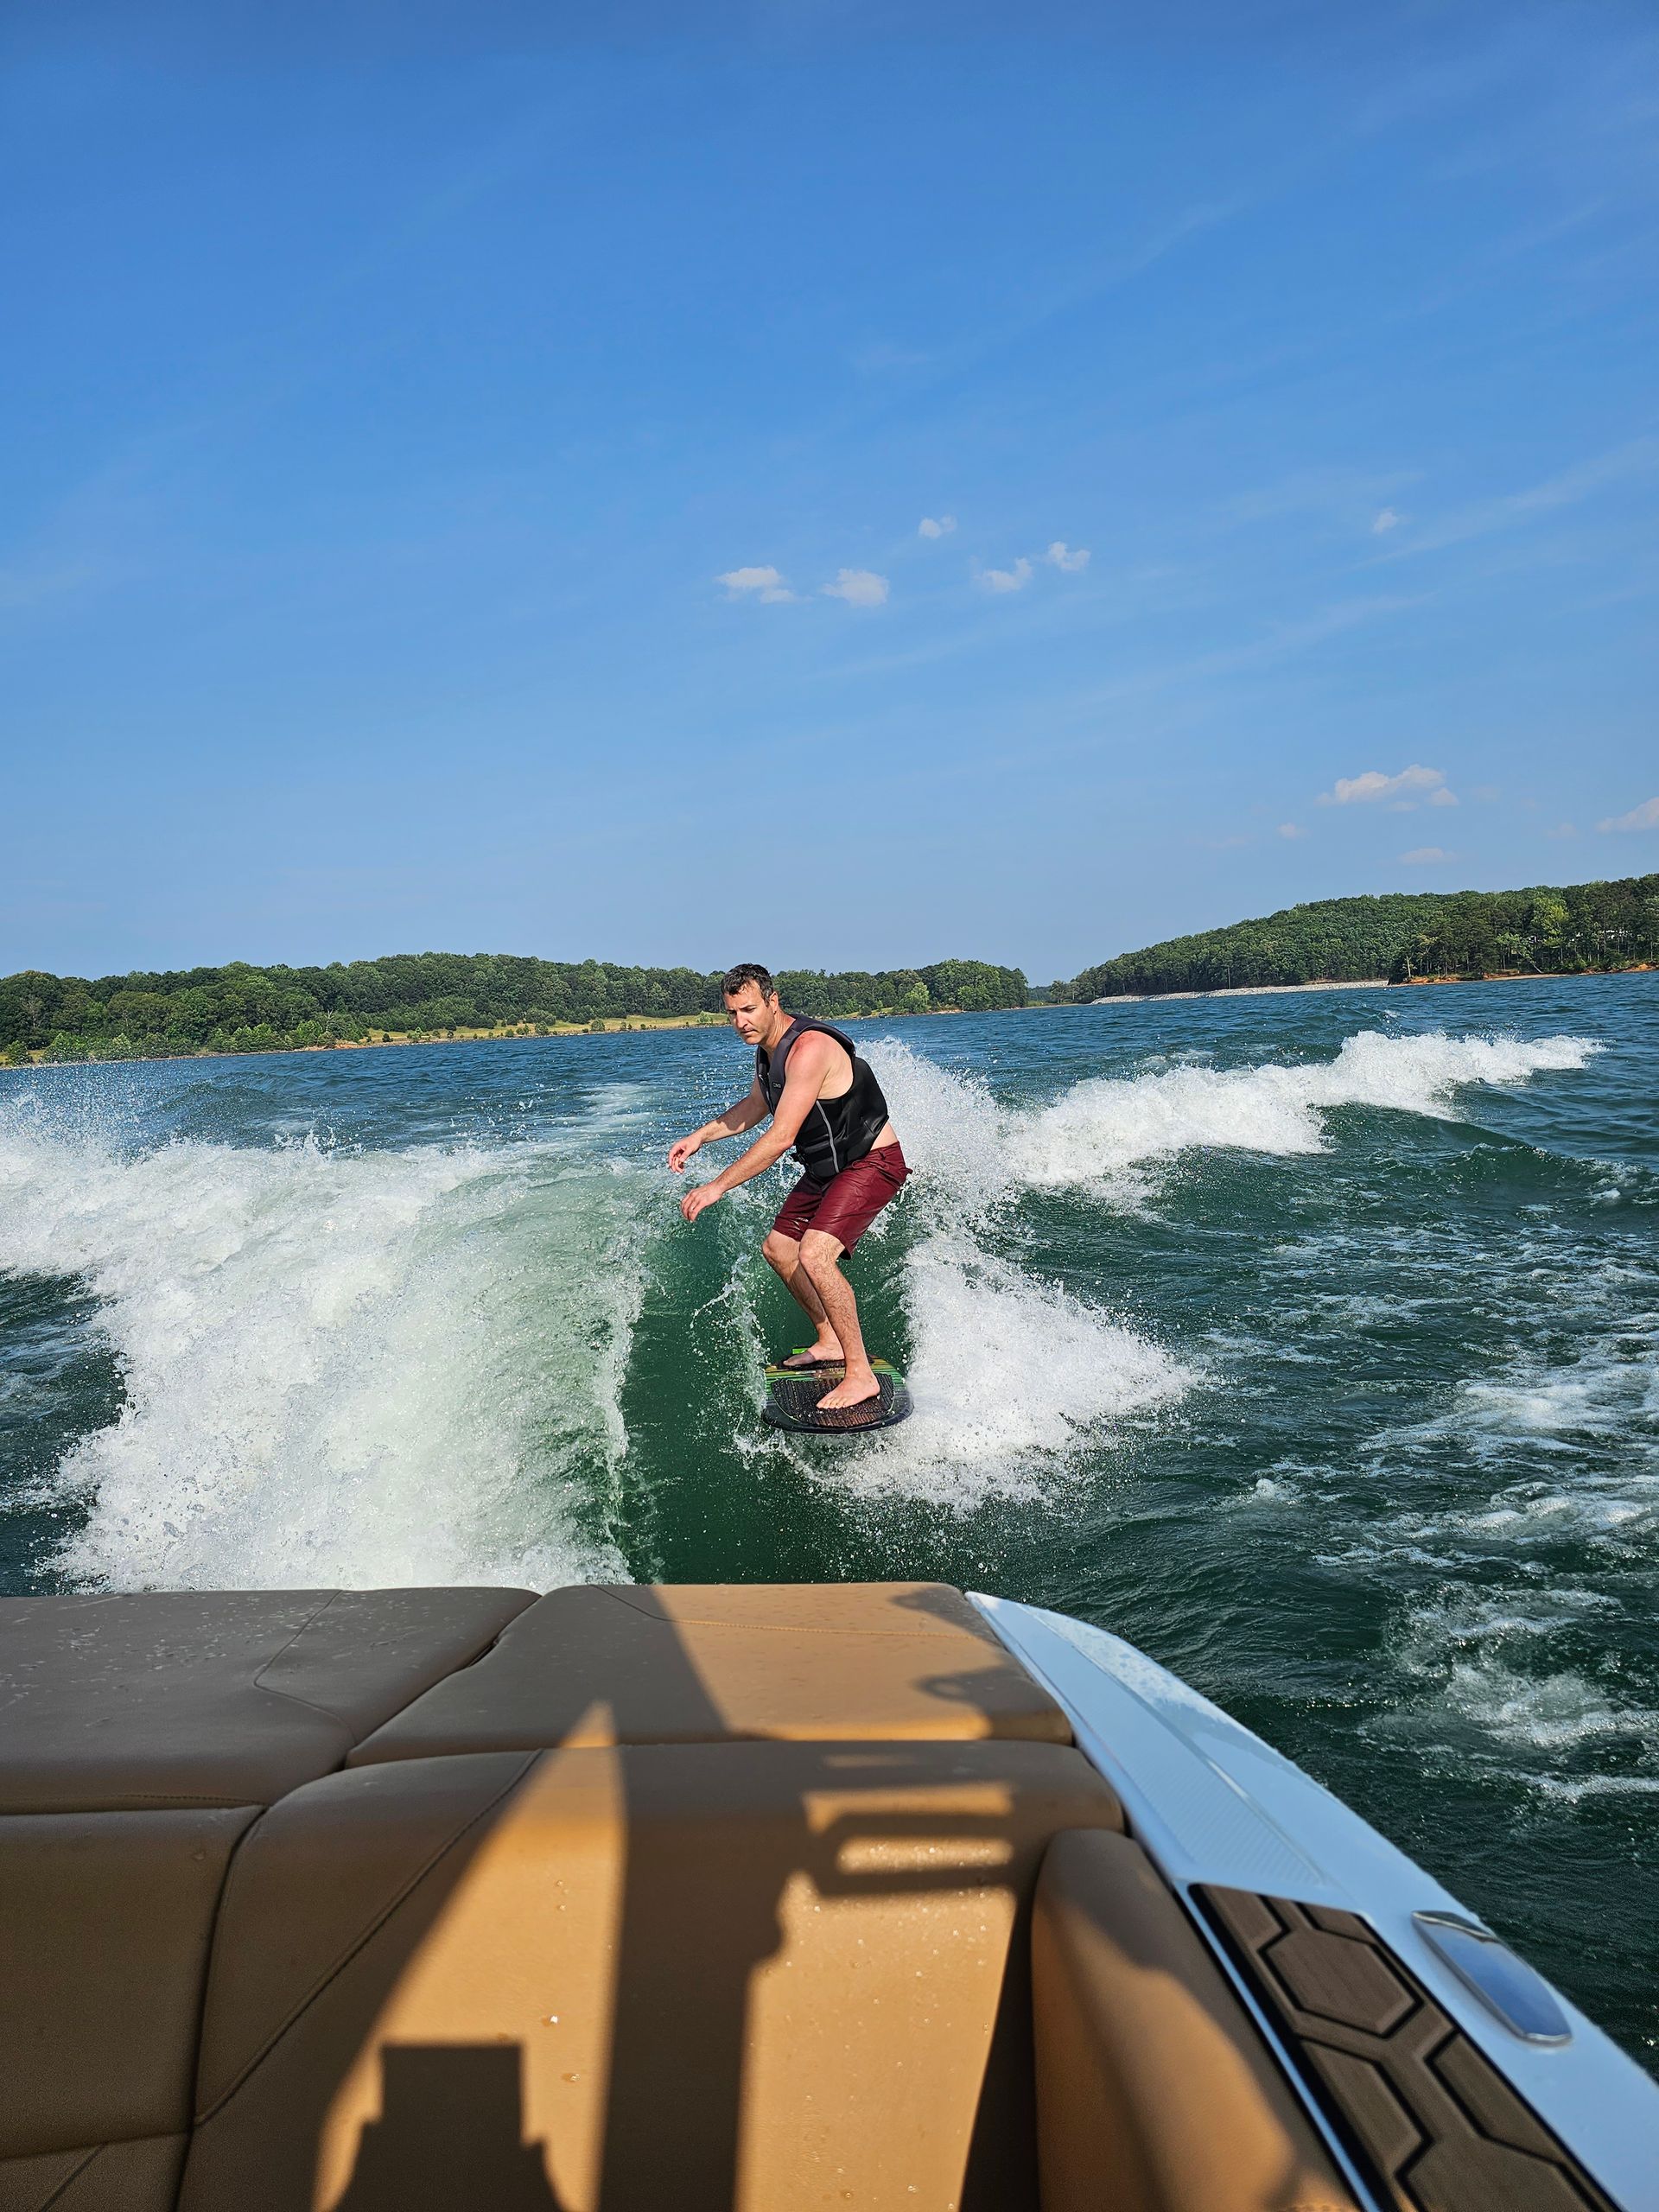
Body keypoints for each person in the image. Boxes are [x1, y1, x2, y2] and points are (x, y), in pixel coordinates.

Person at [669, 963, 908, 1414]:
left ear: (773, 1002)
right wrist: (701, 1136)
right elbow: (756, 1105)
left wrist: (718, 1186)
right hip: (827, 1169)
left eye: (749, 1009)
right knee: (780, 1249)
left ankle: (860, 1375)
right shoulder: (768, 1052)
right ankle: (830, 1340)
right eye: (733, 1013)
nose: (741, 1021)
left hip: (870, 1162)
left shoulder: (810, 1049)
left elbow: (780, 1137)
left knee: (816, 1254)